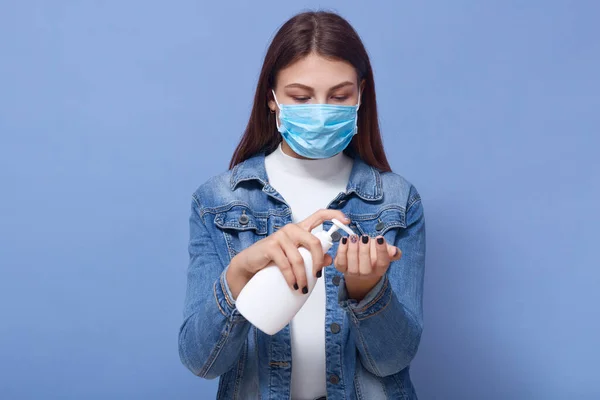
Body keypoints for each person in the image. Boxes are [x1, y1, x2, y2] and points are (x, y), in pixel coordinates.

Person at [178, 10, 426, 400]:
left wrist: (365, 291)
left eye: (339, 96)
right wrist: (241, 271)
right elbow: (201, 361)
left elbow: (392, 360)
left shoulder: (397, 201)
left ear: (361, 95)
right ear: (272, 100)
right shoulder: (218, 202)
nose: (321, 110)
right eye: (301, 96)